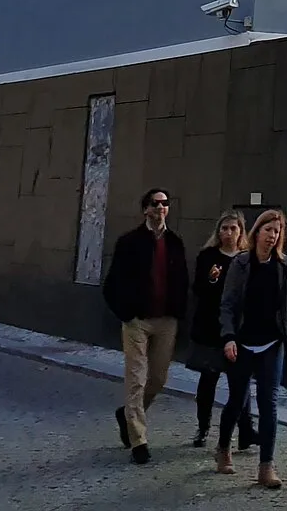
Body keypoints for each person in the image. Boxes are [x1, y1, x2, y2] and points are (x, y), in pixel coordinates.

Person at [100, 187, 189, 465]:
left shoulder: (175, 242)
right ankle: (139, 440)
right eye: (155, 203)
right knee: (136, 379)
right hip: (137, 320)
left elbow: (183, 280)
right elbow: (112, 284)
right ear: (145, 210)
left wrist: (178, 312)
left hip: (166, 320)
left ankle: (125, 414)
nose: (161, 208)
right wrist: (126, 313)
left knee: (159, 379)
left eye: (165, 203)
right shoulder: (129, 242)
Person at [217, 206, 287, 489]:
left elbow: (285, 306)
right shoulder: (242, 263)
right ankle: (223, 447)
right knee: (237, 400)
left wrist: (285, 336)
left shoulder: (284, 265)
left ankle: (266, 466)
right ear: (257, 232)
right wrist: (228, 337)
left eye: (277, 231)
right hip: (242, 342)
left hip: (271, 343)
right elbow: (227, 304)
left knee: (269, 405)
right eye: (268, 230)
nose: (272, 236)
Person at [187, 211, 255, 451]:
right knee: (209, 378)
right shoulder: (208, 256)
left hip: (238, 328)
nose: (228, 233)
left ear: (241, 232)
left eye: (233, 229)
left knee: (240, 381)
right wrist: (212, 279)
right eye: (224, 228)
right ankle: (203, 426)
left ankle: (245, 429)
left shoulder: (247, 258)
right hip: (210, 326)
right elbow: (198, 290)